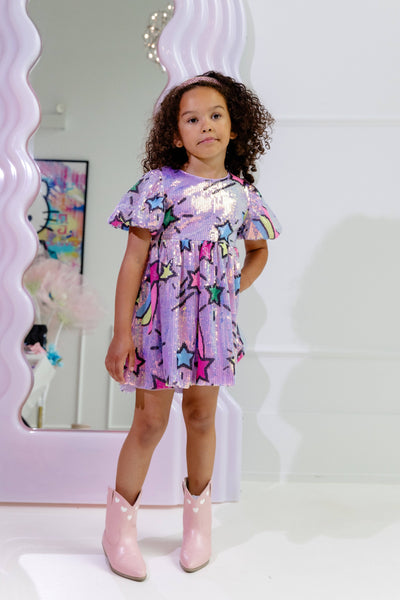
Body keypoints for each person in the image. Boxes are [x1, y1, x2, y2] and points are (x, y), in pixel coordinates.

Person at [103, 71, 281, 581]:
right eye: (192, 119)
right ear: (176, 134)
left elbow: (258, 250)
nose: (206, 125)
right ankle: (118, 531)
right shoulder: (159, 185)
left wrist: (226, 289)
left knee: (202, 418)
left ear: (235, 126)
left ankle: (198, 528)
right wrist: (122, 332)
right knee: (149, 423)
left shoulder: (243, 195)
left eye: (215, 115)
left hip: (212, 329)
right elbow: (133, 261)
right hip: (157, 325)